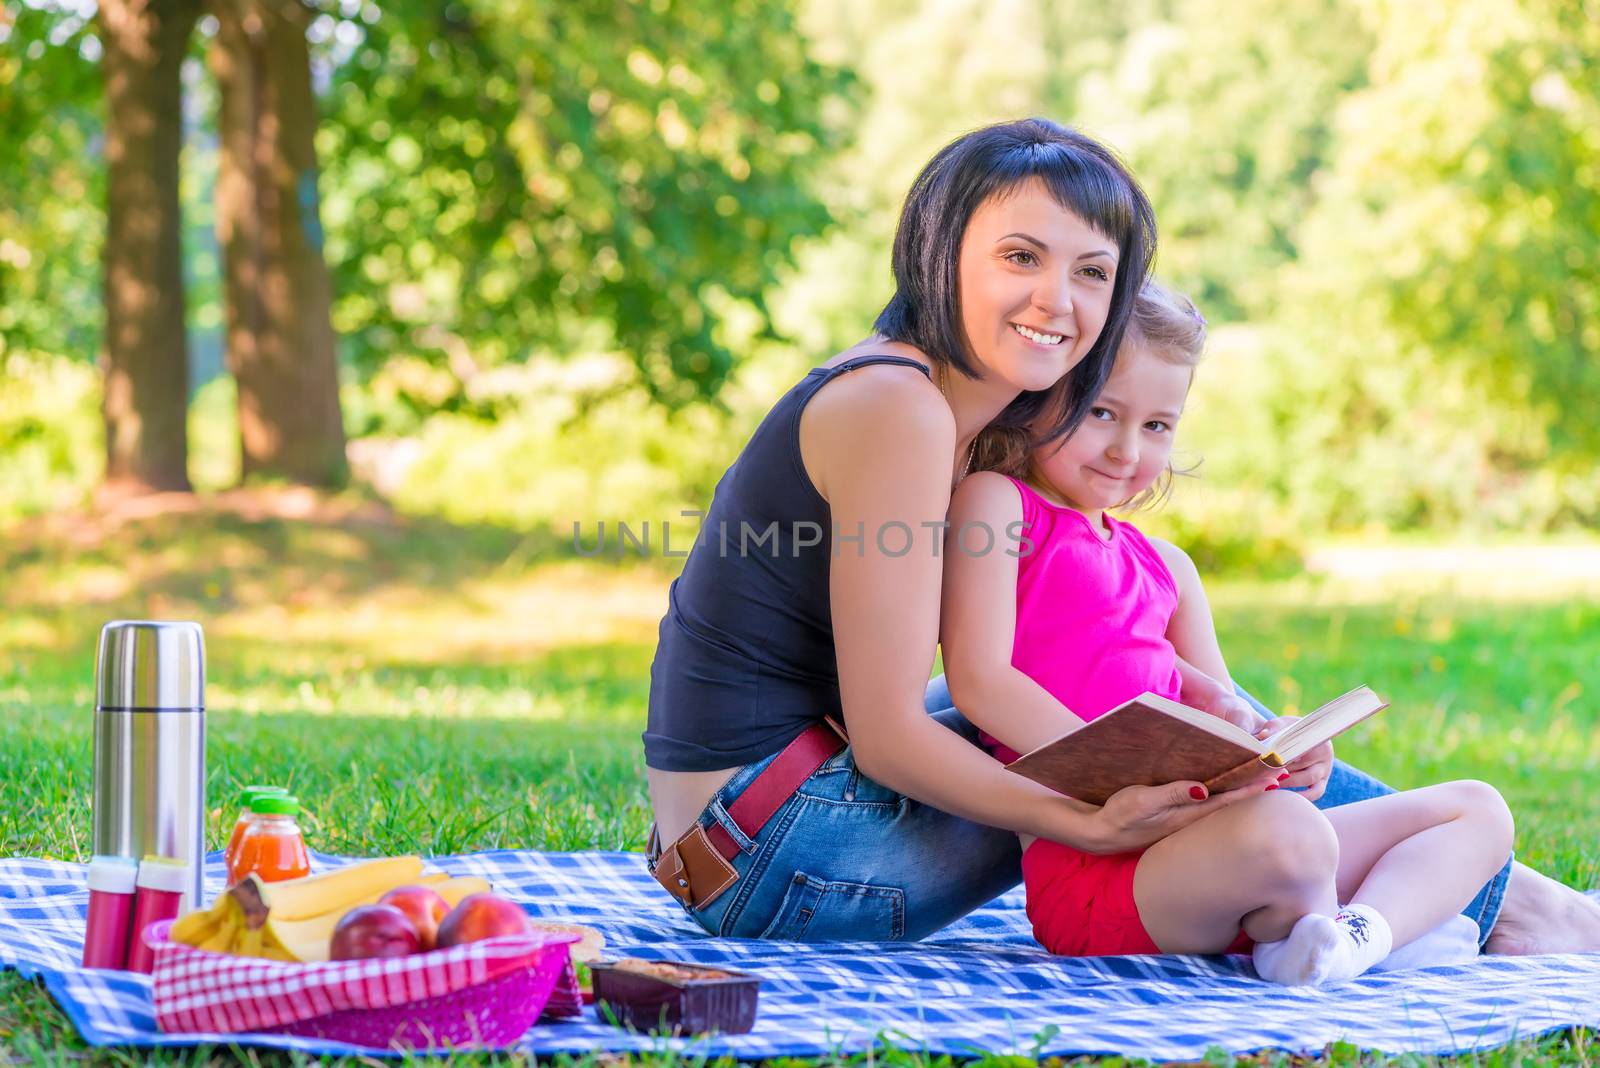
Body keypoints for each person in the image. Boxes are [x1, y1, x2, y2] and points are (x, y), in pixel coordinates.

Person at [643, 116, 1600, 954]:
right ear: (940, 251)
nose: (1057, 301)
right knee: (1161, 755)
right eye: (1020, 257)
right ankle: (1496, 904)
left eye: (1091, 271)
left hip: (765, 818)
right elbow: (894, 739)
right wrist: (1088, 818)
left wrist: (1229, 740)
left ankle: (1463, 887)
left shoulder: (941, 405)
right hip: (781, 852)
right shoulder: (899, 407)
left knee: (1151, 696)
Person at [937, 281, 1513, 983]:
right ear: (1040, 394)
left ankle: (1357, 941)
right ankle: (1345, 929)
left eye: (1157, 427)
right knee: (1292, 838)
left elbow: (1230, 728)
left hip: (1235, 838)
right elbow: (980, 680)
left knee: (1477, 812)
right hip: (1107, 877)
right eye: (1102, 412)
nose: (1126, 450)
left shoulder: (1168, 569)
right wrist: (1118, 775)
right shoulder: (999, 504)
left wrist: (1280, 751)